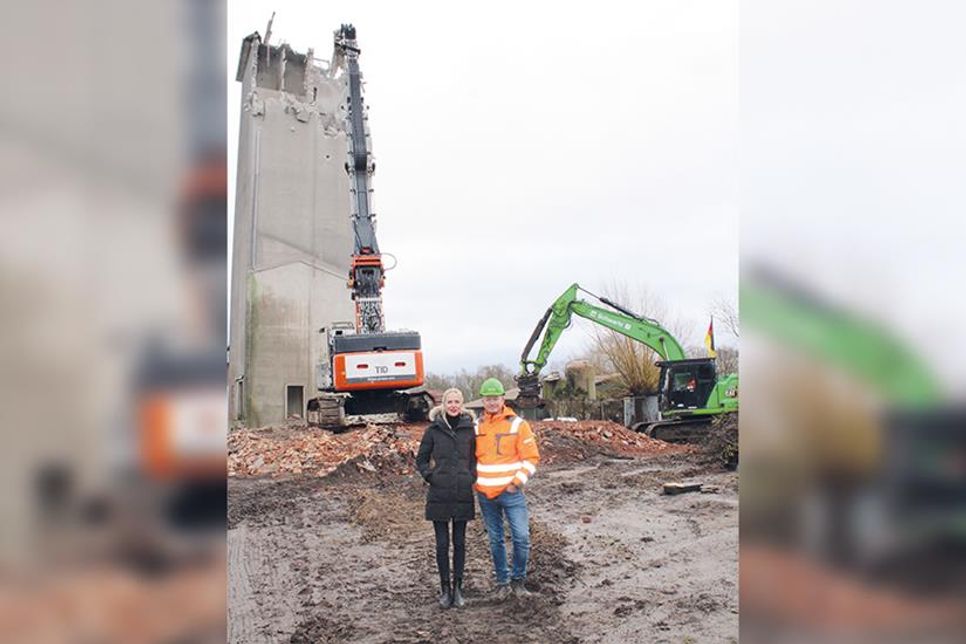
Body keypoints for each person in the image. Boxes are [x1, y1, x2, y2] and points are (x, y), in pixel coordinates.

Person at [474, 378, 541, 600]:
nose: (492, 402)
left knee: (521, 537)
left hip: (511, 493)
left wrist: (517, 483)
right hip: (485, 495)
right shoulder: (476, 426)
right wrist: (475, 482)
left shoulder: (517, 424)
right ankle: (502, 582)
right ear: (483, 400)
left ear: (503, 399)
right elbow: (468, 458)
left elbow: (531, 457)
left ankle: (518, 580)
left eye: (495, 398)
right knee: (495, 540)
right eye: (488, 399)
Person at [415, 387, 476, 608]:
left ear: (462, 404)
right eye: (449, 401)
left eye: (456, 401)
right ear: (443, 405)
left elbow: (474, 458)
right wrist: (430, 476)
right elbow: (421, 459)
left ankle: (458, 589)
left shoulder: (470, 429)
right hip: (439, 492)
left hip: (462, 491)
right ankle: (445, 590)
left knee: (459, 543)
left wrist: (471, 476)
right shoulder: (433, 430)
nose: (453, 405)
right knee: (442, 544)